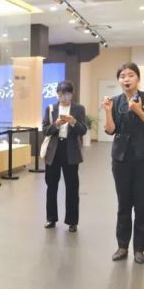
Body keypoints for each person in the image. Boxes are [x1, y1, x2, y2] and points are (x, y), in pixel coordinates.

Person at [103, 62, 144, 265]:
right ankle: (122, 246)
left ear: (137, 78)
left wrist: (138, 111)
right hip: (121, 158)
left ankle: (139, 249)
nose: (126, 79)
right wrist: (108, 111)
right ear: (119, 81)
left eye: (130, 75)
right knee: (123, 204)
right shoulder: (115, 101)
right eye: (122, 76)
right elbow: (110, 130)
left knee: (141, 204)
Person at [42, 80, 87, 233]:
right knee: (51, 186)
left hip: (71, 150)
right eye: (61, 95)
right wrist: (56, 124)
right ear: (57, 94)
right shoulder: (50, 108)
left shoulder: (79, 109)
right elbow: (45, 130)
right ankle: (51, 218)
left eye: (67, 95)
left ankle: (72, 221)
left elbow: (83, 130)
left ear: (72, 94)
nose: (64, 98)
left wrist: (73, 122)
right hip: (53, 151)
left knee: (72, 187)